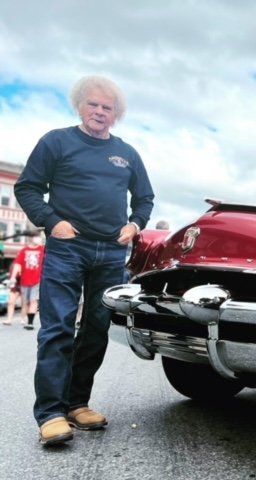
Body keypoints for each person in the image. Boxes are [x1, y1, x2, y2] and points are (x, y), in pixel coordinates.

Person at [14, 75, 154, 446]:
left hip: (110, 252)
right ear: (79, 106)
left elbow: (144, 198)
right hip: (67, 248)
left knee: (96, 329)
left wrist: (135, 224)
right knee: (58, 327)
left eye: (108, 107)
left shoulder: (127, 154)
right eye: (93, 104)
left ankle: (77, 403)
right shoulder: (56, 141)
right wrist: (51, 221)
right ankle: (51, 413)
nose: (99, 111)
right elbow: (27, 188)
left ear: (116, 114)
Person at [11, 234, 45, 330]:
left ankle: (30, 323)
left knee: (33, 300)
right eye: (36, 237)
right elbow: (17, 264)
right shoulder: (24, 250)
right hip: (25, 281)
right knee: (25, 302)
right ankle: (24, 318)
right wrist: (13, 277)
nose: (38, 239)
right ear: (31, 238)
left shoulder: (42, 250)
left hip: (37, 280)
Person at [2, 260, 26, 326]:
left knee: (24, 303)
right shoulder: (13, 265)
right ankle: (9, 319)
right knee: (11, 302)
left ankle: (23, 319)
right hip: (15, 285)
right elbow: (11, 276)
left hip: (24, 284)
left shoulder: (24, 264)